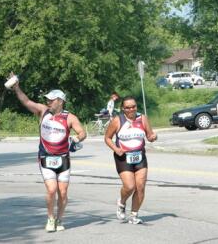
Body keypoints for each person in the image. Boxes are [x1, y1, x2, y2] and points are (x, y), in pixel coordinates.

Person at [8, 75, 86, 233]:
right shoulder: (43, 111)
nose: (48, 102)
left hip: (63, 158)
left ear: (60, 101)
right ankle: (50, 218)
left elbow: (82, 132)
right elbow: (26, 101)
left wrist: (76, 139)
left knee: (63, 192)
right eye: (47, 99)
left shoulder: (69, 117)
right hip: (45, 157)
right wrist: (17, 88)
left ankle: (60, 218)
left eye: (51, 100)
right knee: (51, 190)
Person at [104, 96, 157, 224]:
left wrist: (153, 137)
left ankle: (134, 215)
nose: (131, 109)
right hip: (123, 157)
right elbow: (107, 138)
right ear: (123, 108)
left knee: (140, 187)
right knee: (129, 186)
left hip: (140, 156)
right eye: (128, 107)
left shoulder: (142, 118)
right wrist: (116, 149)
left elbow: (150, 135)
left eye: (133, 106)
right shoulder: (118, 120)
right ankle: (122, 203)